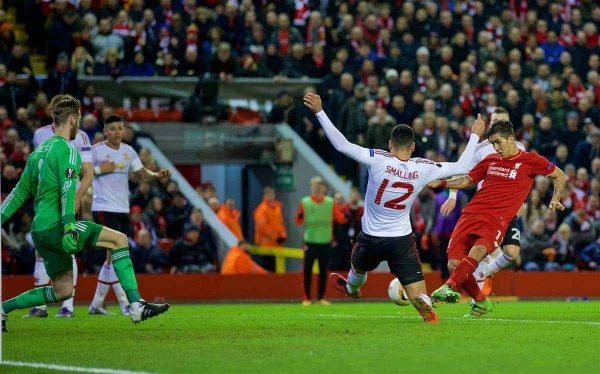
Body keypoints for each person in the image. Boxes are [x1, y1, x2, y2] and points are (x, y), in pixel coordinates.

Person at [303, 92, 485, 323]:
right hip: (401, 240)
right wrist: (475, 135)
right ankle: (425, 307)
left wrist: (319, 111)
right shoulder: (423, 168)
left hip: (370, 238)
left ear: (390, 144)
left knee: (358, 271)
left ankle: (351, 287)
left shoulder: (377, 159)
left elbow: (342, 145)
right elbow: (463, 165)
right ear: (412, 147)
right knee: (418, 294)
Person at [1, 95, 169, 332]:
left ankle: (2, 309)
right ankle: (136, 305)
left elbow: (18, 193)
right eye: (78, 119)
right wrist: (69, 225)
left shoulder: (37, 153)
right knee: (119, 240)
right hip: (59, 226)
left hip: (40, 231)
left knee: (63, 289)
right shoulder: (68, 150)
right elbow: (69, 190)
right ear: (72, 119)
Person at [430, 119, 566, 318]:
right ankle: (481, 303)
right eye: (493, 143)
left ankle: (449, 286)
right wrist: (441, 183)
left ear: (511, 139)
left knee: (477, 252)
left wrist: (555, 199)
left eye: (498, 142)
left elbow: (559, 175)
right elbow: (467, 180)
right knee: (453, 264)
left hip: (497, 220)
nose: (496, 147)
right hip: (470, 214)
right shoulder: (490, 159)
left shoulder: (530, 160)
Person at [88, 115, 171, 316]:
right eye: (113, 129)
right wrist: (100, 169)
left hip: (122, 209)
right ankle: (127, 304)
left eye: (120, 128)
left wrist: (156, 175)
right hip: (103, 208)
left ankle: (97, 303)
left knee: (113, 257)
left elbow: (141, 173)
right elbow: (83, 172)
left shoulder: (128, 151)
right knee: (118, 254)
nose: (117, 132)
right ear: (105, 131)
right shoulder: (96, 151)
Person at [439, 107, 526, 293]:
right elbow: (461, 173)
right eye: (494, 121)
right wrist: (452, 196)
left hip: (508, 210)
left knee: (511, 254)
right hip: (486, 211)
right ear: (490, 123)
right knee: (483, 252)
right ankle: (477, 291)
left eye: (503, 121)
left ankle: (484, 273)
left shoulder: (520, 148)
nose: (498, 124)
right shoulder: (480, 150)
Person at [25, 94, 94, 318]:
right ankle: (40, 307)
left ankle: (67, 307)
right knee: (41, 251)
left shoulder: (81, 136)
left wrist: (75, 200)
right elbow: (37, 169)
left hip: (68, 197)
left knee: (68, 247)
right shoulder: (39, 135)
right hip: (47, 200)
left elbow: (88, 172)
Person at [294, 176, 347, 306]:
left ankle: (322, 297)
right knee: (307, 272)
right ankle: (306, 298)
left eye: (319, 186)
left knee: (324, 272)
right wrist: (300, 216)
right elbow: (297, 221)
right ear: (311, 188)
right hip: (310, 242)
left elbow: (341, 219)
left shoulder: (330, 202)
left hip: (325, 242)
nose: (317, 188)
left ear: (324, 188)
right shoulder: (305, 202)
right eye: (314, 186)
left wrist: (346, 212)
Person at [253, 186, 287, 271]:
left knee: (278, 270)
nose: (271, 196)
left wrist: (283, 236)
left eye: (272, 194)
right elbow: (262, 227)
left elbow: (280, 223)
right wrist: (276, 237)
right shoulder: (261, 209)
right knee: (269, 269)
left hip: (278, 245)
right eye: (269, 194)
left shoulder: (277, 208)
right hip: (266, 246)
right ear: (265, 195)